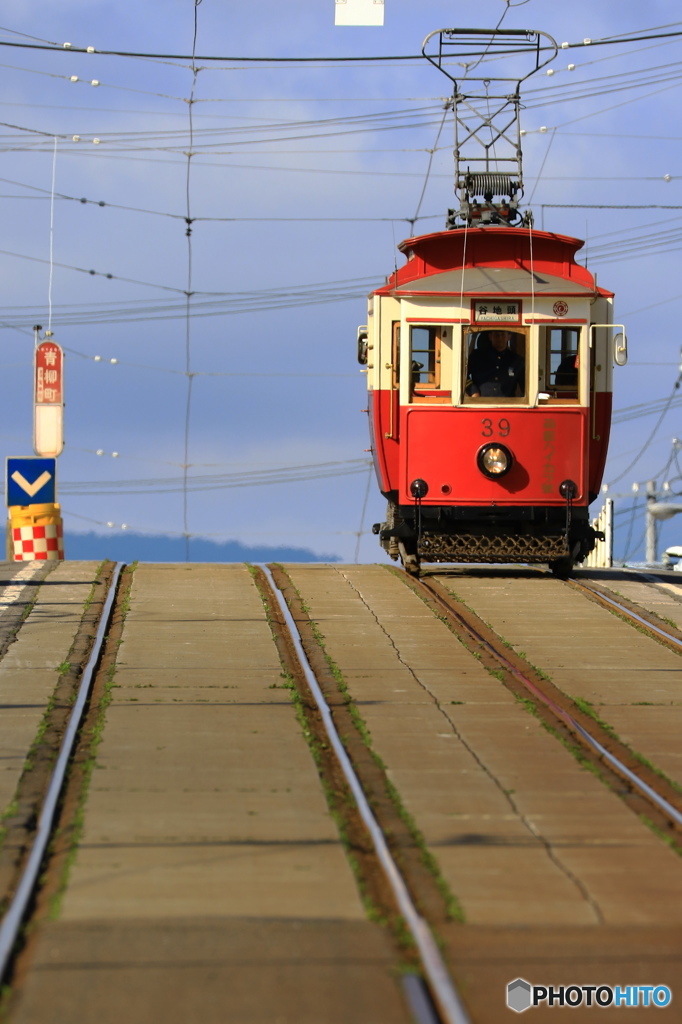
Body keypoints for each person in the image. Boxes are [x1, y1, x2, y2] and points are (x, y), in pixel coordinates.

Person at [466, 331, 525, 397]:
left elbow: (526, 387)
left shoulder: (517, 360)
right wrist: (473, 391)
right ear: (490, 336)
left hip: (507, 405)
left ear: (509, 337)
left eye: (503, 335)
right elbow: (462, 375)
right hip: (480, 404)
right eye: (496, 335)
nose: (500, 338)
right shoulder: (477, 356)